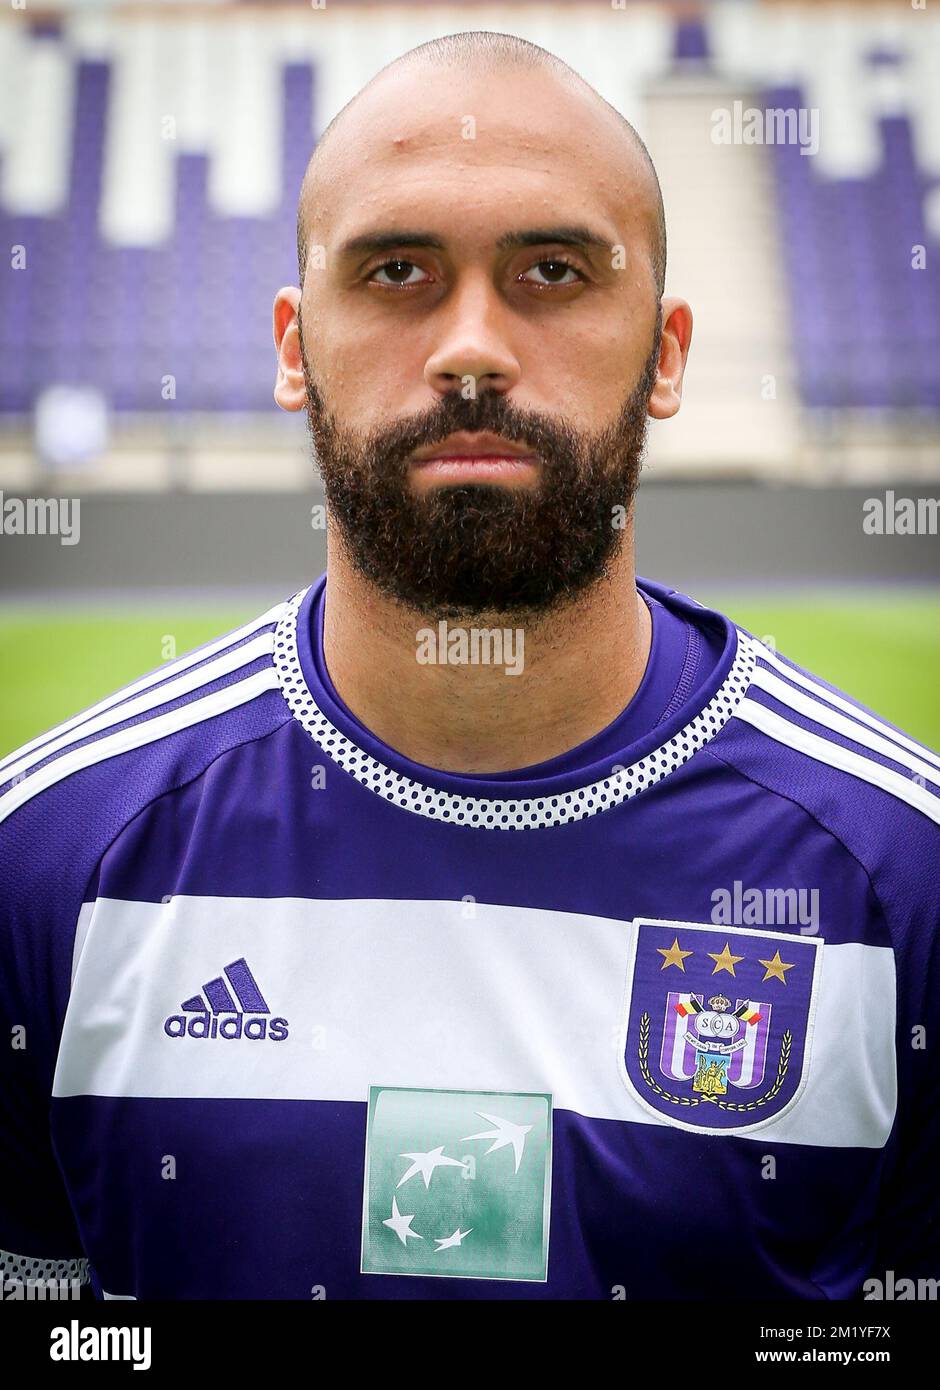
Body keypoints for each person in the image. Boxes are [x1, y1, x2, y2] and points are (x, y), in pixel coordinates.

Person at [1, 31, 937, 1300]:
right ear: (293, 346)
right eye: (396, 270)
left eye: (552, 269)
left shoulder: (902, 876)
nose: (473, 348)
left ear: (665, 353)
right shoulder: (52, 860)